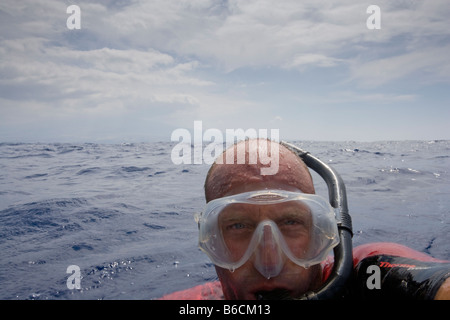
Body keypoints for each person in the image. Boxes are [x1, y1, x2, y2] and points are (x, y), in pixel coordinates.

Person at [161, 139, 450, 300]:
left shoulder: (370, 280)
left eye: (291, 222)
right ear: (209, 239)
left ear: (324, 231)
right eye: (238, 225)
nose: (269, 264)